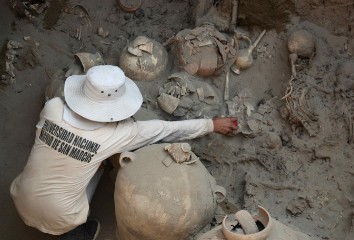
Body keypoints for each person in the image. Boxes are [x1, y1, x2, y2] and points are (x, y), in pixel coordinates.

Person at [10, 65, 238, 239]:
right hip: (62, 218)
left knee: (86, 164)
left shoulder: (53, 108)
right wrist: (212, 124)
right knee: (96, 174)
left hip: (20, 195)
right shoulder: (119, 135)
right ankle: (78, 233)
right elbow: (167, 130)